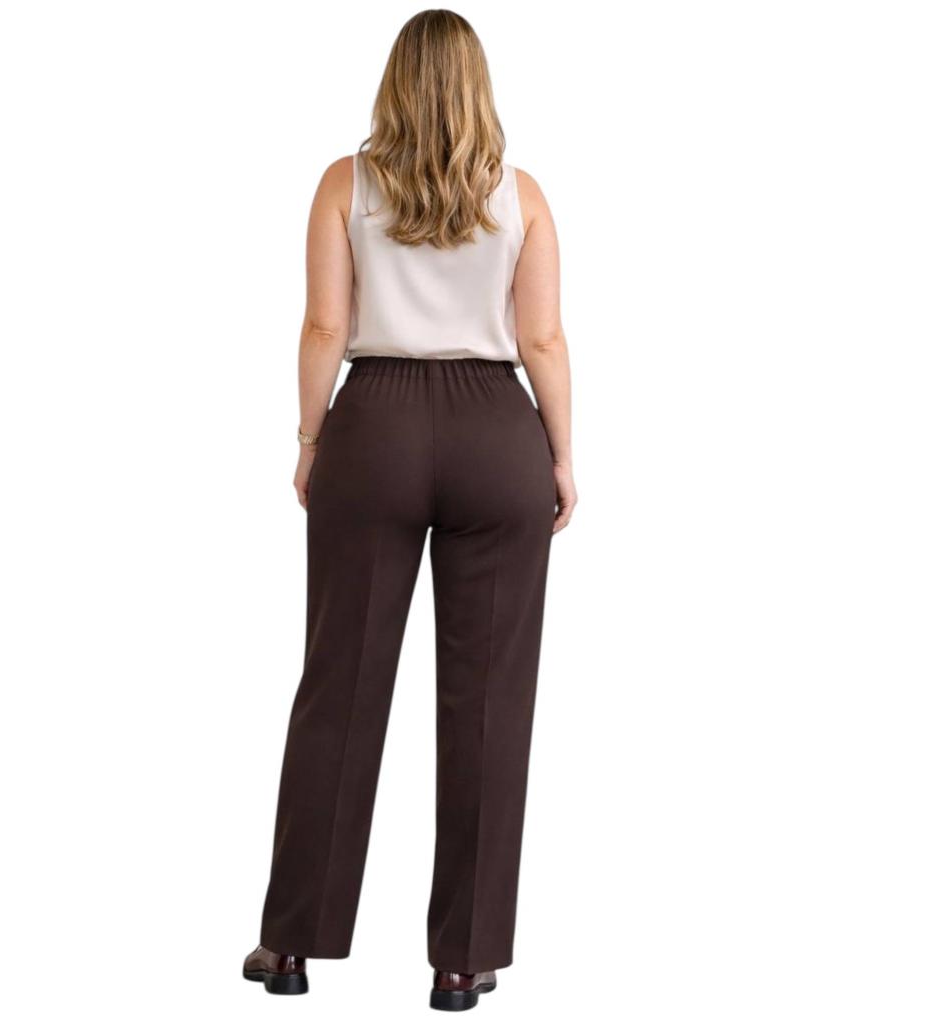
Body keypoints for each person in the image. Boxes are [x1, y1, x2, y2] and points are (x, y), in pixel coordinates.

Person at [242, 9, 576, 1012]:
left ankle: (291, 945)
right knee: (489, 703)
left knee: (339, 684)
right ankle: (461, 963)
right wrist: (562, 454)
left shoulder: (343, 186)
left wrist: (311, 440)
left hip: (374, 431)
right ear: (478, 87)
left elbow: (324, 326)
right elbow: (544, 339)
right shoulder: (521, 196)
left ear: (395, 84)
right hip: (496, 435)